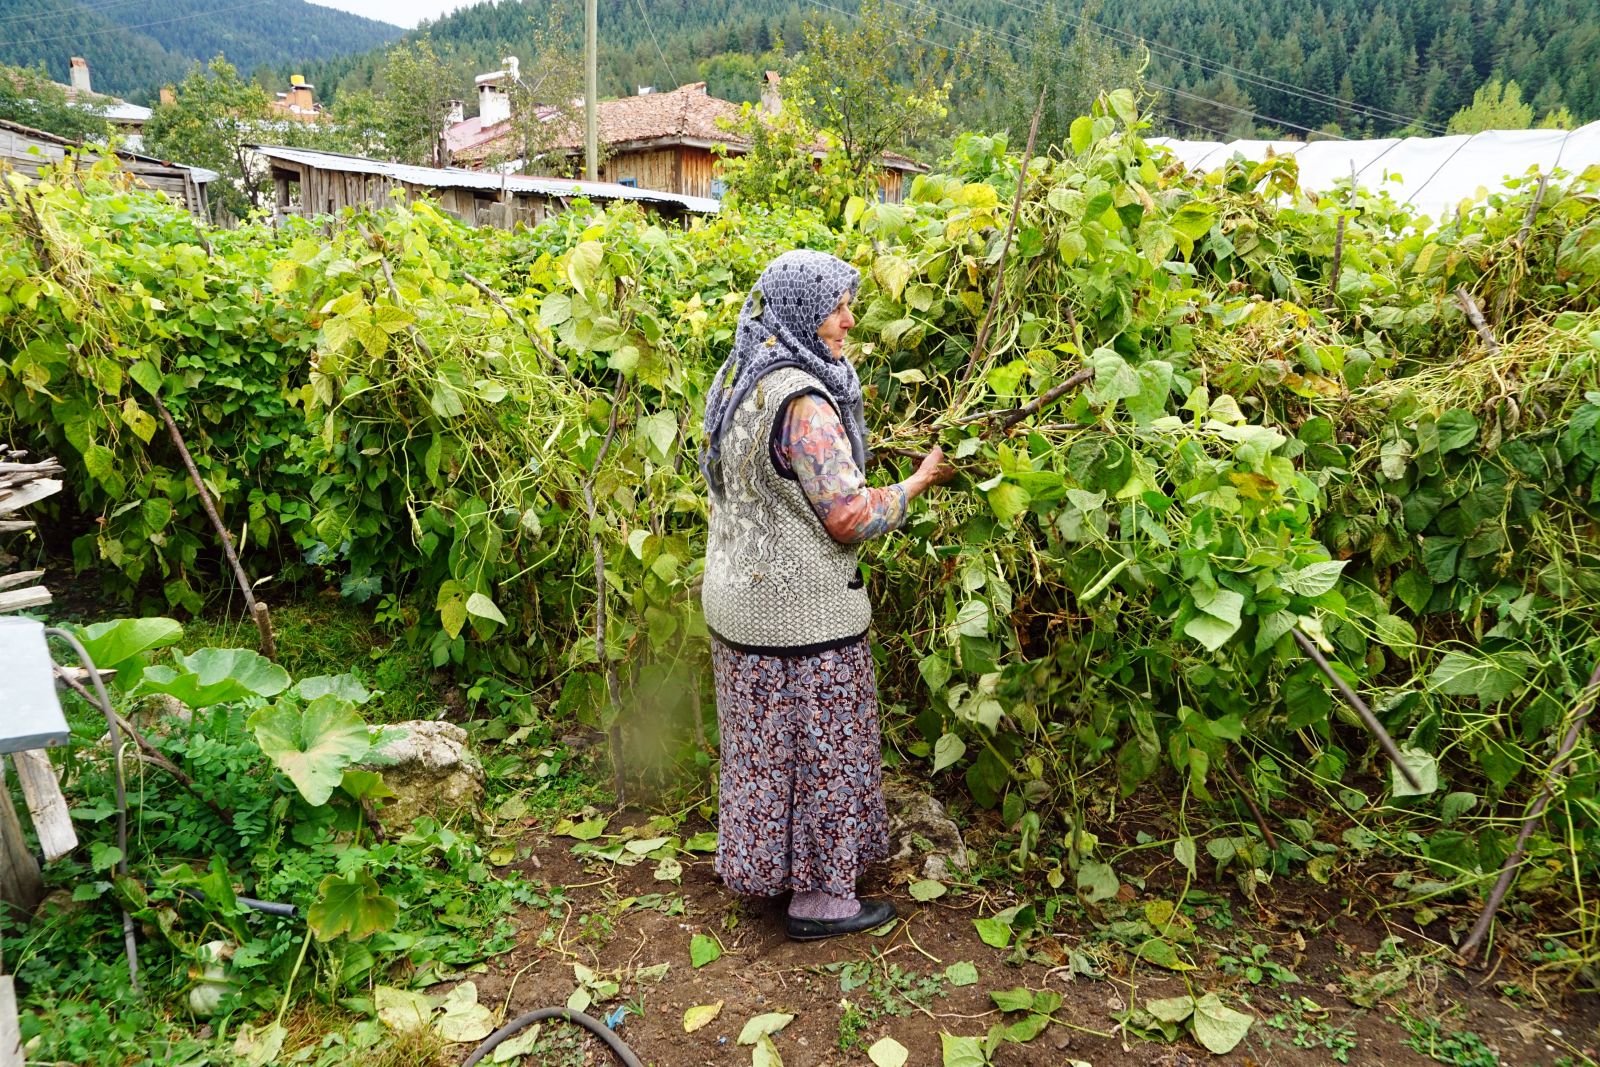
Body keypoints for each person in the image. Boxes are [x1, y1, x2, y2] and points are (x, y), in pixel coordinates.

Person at [699, 249, 955, 940]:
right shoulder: (805, 402)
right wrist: (918, 482)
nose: (848, 321)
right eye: (836, 308)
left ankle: (768, 874)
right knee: (824, 757)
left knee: (764, 754)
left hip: (740, 605)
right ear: (803, 312)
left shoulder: (746, 377)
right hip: (801, 617)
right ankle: (820, 902)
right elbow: (848, 515)